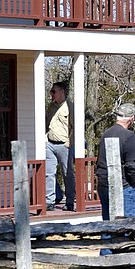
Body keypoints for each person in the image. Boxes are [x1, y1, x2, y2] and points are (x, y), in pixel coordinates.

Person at [95, 103, 135, 221]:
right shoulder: (129, 136)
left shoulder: (106, 134)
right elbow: (132, 166)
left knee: (108, 223)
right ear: (131, 119)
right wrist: (133, 183)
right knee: (128, 226)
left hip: (104, 184)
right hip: (123, 186)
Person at [45, 81, 75, 211]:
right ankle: (49, 201)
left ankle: (69, 201)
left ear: (62, 92)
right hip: (49, 144)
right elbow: (46, 123)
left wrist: (70, 141)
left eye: (54, 91)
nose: (51, 94)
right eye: (51, 91)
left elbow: (75, 126)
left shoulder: (70, 106)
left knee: (67, 173)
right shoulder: (51, 107)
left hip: (64, 145)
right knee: (48, 173)